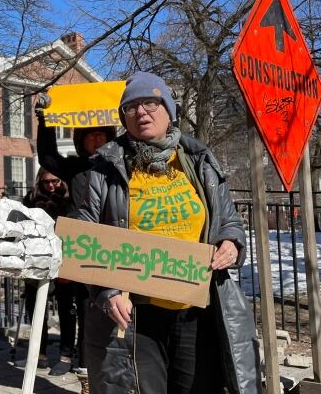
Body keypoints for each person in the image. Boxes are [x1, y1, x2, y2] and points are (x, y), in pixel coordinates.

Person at [71, 71, 259, 394]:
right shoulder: (102, 170)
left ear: (168, 110)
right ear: (124, 119)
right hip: (136, 318)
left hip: (196, 310)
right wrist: (107, 290)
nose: (141, 112)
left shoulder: (199, 162)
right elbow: (82, 240)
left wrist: (230, 243)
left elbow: (228, 220)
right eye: (131, 108)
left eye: (150, 103)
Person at [21, 168, 74, 370]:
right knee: (35, 308)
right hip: (37, 259)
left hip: (64, 258)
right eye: (46, 182)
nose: (51, 185)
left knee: (66, 307)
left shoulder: (69, 201)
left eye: (55, 181)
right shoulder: (31, 200)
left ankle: (66, 355)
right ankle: (39, 354)